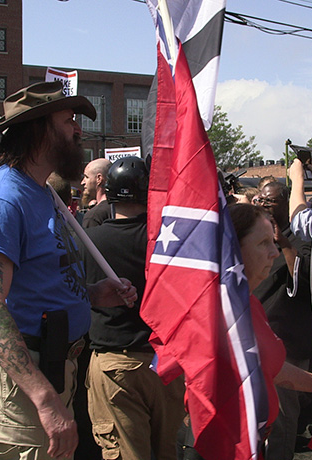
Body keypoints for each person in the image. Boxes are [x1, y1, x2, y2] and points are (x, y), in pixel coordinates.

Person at [0, 81, 137, 460]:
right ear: (41, 128)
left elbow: (39, 280)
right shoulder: (5, 198)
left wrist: (93, 295)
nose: (78, 129)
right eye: (69, 120)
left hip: (56, 368)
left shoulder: (42, 192)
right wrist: (45, 399)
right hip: (23, 387)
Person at [79, 156, 185, 460]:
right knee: (167, 451)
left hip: (116, 366)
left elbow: (73, 293)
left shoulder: (90, 240)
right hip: (165, 364)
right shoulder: (168, 242)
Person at [253, 181, 312, 460]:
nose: (265, 206)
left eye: (271, 202)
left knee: (281, 426)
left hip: (287, 347)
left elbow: (305, 283)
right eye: (261, 201)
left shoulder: (301, 238)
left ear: (286, 203)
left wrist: (283, 244)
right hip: (255, 340)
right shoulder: (255, 233)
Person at [81, 158, 112, 228]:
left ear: (99, 179)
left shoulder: (94, 216)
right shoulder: (122, 209)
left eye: (86, 177)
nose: (82, 182)